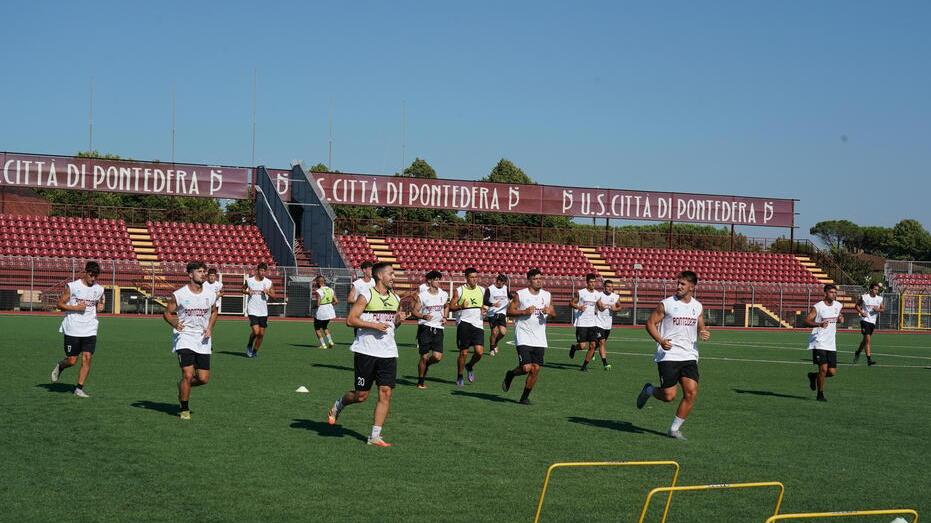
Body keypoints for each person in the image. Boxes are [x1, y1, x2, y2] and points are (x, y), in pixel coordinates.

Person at [327, 262, 409, 446]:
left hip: (388, 352)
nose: (394, 277)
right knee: (361, 396)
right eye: (391, 274)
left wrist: (398, 320)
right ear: (380, 276)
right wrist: (374, 325)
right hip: (366, 352)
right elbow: (350, 320)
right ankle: (339, 404)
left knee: (385, 393)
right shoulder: (366, 295)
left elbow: (391, 326)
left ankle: (375, 436)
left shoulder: (395, 298)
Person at [635, 271, 711, 440]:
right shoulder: (667, 304)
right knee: (669, 396)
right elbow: (650, 323)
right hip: (669, 355)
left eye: (682, 284)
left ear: (692, 287)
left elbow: (701, 326)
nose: (678, 286)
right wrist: (661, 340)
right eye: (678, 283)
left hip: (689, 355)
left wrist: (703, 332)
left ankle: (674, 429)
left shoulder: (697, 306)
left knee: (691, 393)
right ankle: (649, 390)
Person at [163, 262, 219, 420]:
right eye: (199, 271)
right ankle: (184, 409)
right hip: (185, 337)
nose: (203, 274)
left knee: (203, 379)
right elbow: (167, 313)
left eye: (204, 271)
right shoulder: (180, 294)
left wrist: (210, 328)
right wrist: (174, 322)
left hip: (203, 339)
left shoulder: (210, 294)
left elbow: (214, 312)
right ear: (190, 274)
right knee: (187, 374)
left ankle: (182, 386)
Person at [50, 261, 105, 398]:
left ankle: (79, 388)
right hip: (73, 328)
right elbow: (59, 304)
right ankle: (60, 366)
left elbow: (100, 302)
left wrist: (100, 306)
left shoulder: (99, 289)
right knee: (72, 361)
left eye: (96, 276)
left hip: (90, 328)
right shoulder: (73, 286)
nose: (93, 278)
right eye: (91, 275)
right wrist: (76, 308)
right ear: (85, 272)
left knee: (87, 358)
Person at [501, 268, 554, 405]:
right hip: (523, 335)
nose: (539, 281)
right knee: (526, 368)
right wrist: (524, 311)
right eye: (535, 279)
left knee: (535, 369)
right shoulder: (521, 294)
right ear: (529, 280)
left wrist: (550, 311)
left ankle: (524, 397)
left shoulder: (547, 295)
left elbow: (553, 313)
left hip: (539, 338)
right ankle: (511, 374)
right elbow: (509, 312)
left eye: (540, 278)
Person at [805, 284, 845, 401]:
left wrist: (841, 319)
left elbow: (839, 316)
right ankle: (820, 394)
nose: (834, 294)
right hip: (819, 341)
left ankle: (813, 376)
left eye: (835, 292)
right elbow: (806, 321)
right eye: (831, 292)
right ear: (825, 293)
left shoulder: (838, 305)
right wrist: (819, 324)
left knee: (831, 372)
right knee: (823, 369)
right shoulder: (818, 307)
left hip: (831, 343)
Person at [411, 270, 449, 389]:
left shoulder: (443, 294)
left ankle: (425, 365)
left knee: (437, 357)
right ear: (429, 281)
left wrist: (445, 317)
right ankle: (420, 381)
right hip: (425, 327)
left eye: (439, 279)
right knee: (424, 356)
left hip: (438, 328)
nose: (438, 282)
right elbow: (414, 311)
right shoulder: (423, 296)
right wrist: (423, 316)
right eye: (436, 280)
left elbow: (446, 306)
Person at [449, 268, 486, 386]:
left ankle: (469, 365)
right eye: (471, 277)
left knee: (479, 352)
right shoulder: (459, 290)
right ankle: (460, 375)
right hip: (464, 323)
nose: (474, 279)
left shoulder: (482, 290)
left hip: (478, 324)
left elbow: (484, 305)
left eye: (476, 277)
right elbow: (451, 307)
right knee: (463, 353)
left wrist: (484, 310)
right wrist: (461, 306)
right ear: (466, 278)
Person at [582, 279, 623, 371]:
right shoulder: (599, 295)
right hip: (598, 323)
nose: (610, 288)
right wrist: (601, 306)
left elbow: (620, 307)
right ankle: (605, 364)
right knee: (602, 342)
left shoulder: (615, 296)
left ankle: (592, 352)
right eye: (608, 286)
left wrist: (615, 309)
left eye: (611, 287)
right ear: (604, 287)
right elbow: (599, 308)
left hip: (608, 325)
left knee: (599, 344)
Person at [243, 262, 281, 358]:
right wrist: (248, 292)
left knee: (261, 334)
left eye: (264, 271)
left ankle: (255, 351)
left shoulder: (268, 282)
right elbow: (242, 290)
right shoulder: (249, 280)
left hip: (263, 311)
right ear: (257, 270)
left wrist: (268, 292)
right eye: (261, 270)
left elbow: (274, 296)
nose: (262, 272)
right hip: (252, 309)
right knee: (256, 332)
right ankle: (249, 345)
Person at [569, 273, 603, 363]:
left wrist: (604, 307)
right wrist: (578, 307)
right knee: (582, 346)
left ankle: (584, 366)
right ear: (587, 282)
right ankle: (574, 348)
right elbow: (571, 303)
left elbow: (600, 306)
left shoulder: (597, 294)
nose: (593, 283)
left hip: (592, 323)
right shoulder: (581, 293)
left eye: (594, 282)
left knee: (593, 345)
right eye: (591, 282)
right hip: (582, 323)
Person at [854, 282, 884, 366]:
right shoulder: (864, 297)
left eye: (877, 290)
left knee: (865, 340)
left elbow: (883, 309)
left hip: (873, 321)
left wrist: (878, 310)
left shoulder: (879, 299)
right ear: (870, 289)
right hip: (864, 320)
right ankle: (869, 360)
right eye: (875, 289)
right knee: (868, 340)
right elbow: (856, 306)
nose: (876, 291)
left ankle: (858, 352)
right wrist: (861, 312)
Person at [484, 274, 511, 356]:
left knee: (503, 332)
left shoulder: (505, 288)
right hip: (492, 313)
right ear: (498, 281)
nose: (503, 284)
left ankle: (495, 343)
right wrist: (493, 304)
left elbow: (510, 296)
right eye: (503, 282)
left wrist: (511, 300)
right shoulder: (490, 289)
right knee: (494, 332)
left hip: (502, 312)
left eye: (504, 283)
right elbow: (485, 301)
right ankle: (491, 348)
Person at [348, 261, 376, 336]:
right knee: (359, 338)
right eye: (370, 269)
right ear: (364, 270)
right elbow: (350, 299)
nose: (372, 271)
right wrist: (363, 302)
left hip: (373, 316)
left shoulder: (375, 282)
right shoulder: (357, 284)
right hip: (360, 316)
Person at [312, 275, 338, 349]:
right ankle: (330, 341)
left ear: (318, 282)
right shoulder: (330, 289)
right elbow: (336, 301)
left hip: (321, 311)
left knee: (317, 328)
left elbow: (318, 304)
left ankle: (323, 345)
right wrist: (329, 304)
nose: (315, 283)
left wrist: (313, 307)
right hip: (329, 311)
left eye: (316, 282)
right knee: (325, 327)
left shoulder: (318, 291)